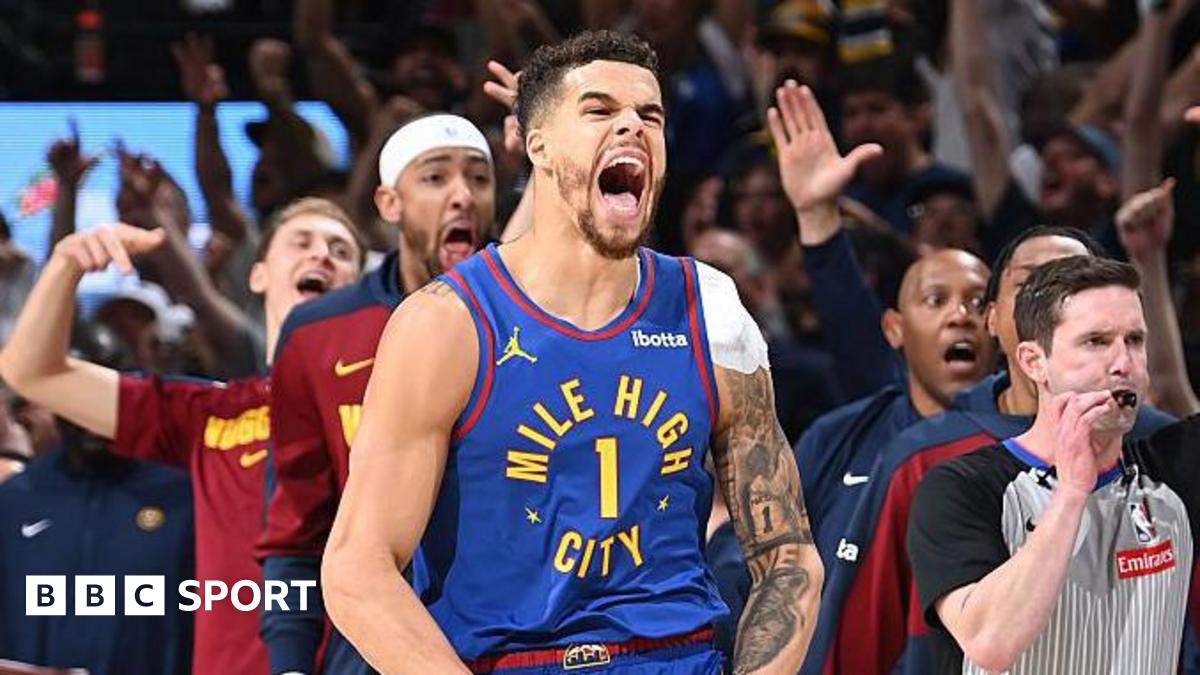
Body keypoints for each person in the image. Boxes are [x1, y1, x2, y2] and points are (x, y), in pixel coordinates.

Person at [319, 30, 831, 673]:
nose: (633, 127)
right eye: (599, 110)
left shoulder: (709, 306)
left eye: (650, 116)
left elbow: (787, 555)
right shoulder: (446, 323)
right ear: (537, 144)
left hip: (679, 656)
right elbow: (358, 570)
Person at [0, 197, 364, 675]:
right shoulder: (210, 412)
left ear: (360, 289)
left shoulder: (390, 402)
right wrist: (66, 264)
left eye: (340, 251)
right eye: (302, 243)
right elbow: (34, 373)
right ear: (258, 276)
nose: (321, 255)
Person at [806, 225, 1176, 675]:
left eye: (1073, 281)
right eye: (1032, 283)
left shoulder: (1161, 446)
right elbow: (856, 645)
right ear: (994, 319)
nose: (1054, 299)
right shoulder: (923, 458)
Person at [258, 113, 498, 675]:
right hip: (369, 644)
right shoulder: (318, 331)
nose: (463, 195)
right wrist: (290, 663)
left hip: (511, 635)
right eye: (436, 177)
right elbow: (294, 530)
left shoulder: (531, 313)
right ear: (389, 203)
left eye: (479, 179)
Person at [909, 255, 1192, 673]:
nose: (1124, 363)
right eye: (1096, 341)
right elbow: (990, 642)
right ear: (1033, 362)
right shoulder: (959, 488)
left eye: (1134, 340)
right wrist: (1072, 492)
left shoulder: (1174, 469)